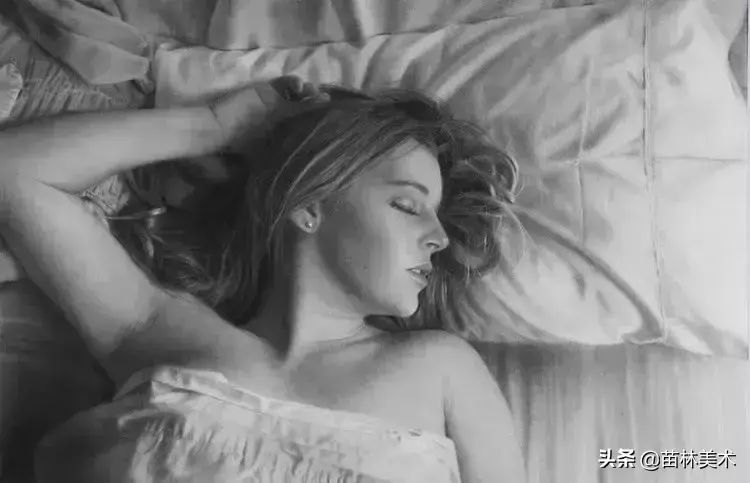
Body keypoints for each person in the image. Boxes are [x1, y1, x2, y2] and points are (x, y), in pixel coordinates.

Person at [0, 76, 526, 482]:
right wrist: (211, 126)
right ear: (309, 205)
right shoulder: (159, 326)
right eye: (408, 206)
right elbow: (13, 173)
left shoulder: (441, 369)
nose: (440, 237)